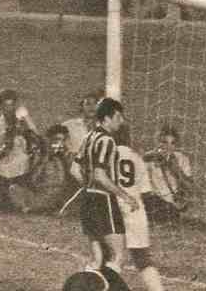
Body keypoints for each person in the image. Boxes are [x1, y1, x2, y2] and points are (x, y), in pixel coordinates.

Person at [70, 97, 138, 281]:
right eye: (118, 116)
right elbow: (100, 175)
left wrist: (88, 186)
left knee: (97, 258)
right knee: (117, 256)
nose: (121, 121)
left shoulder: (88, 137)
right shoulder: (107, 140)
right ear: (107, 118)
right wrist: (125, 196)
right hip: (103, 201)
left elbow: (74, 169)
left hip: (87, 200)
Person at [114, 126, 165, 291]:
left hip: (113, 211)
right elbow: (146, 192)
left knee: (110, 256)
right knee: (142, 259)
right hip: (136, 213)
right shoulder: (137, 158)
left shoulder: (106, 155)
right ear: (129, 137)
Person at [0, 89, 43, 212]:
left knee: (18, 200)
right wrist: (4, 148)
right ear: (1, 106)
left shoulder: (23, 122)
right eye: (6, 105)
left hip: (23, 170)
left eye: (12, 105)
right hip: (3, 170)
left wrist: (26, 128)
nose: (9, 109)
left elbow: (38, 142)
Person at [9, 124, 76, 213]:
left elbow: (69, 182)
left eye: (63, 140)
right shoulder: (40, 156)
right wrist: (43, 159)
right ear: (49, 140)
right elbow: (33, 180)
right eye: (56, 140)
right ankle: (34, 208)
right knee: (13, 188)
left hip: (57, 197)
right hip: (40, 195)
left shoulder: (64, 158)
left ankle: (39, 209)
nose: (60, 144)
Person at [143, 124, 193, 223]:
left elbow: (190, 186)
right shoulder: (148, 159)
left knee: (170, 212)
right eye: (164, 142)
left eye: (172, 143)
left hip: (172, 202)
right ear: (157, 142)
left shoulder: (181, 159)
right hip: (153, 200)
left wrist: (175, 169)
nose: (168, 147)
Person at [63, 91, 100, 156]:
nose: (92, 107)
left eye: (95, 103)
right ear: (81, 106)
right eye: (88, 104)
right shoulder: (68, 126)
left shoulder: (103, 126)